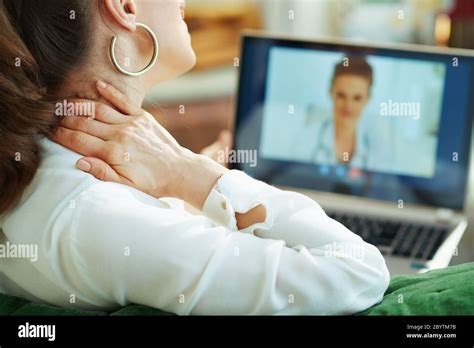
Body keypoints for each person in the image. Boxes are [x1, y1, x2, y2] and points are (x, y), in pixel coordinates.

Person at [0, 0, 389, 315]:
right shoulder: (95, 215)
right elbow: (357, 271)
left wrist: (179, 185)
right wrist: (190, 173)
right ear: (124, 6)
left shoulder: (40, 157)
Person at [301, 57, 373, 167]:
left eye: (357, 98)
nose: (348, 105)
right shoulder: (306, 138)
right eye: (341, 95)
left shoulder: (377, 148)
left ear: (368, 99)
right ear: (330, 93)